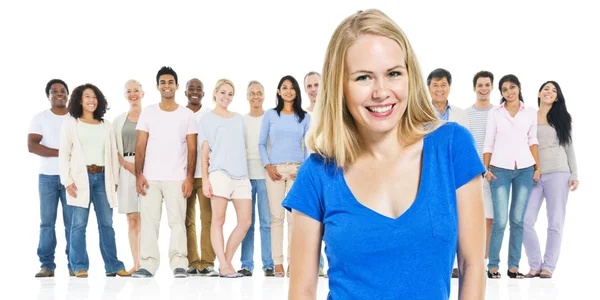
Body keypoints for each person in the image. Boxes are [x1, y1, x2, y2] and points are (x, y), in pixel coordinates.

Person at [283, 9, 486, 299]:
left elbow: (473, 265)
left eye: (393, 74)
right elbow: (302, 291)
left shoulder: (452, 146)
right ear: (339, 86)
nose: (381, 92)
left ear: (409, 75)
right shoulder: (317, 173)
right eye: (364, 77)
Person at [132, 67, 197, 278]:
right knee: (150, 221)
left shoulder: (186, 114)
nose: (166, 85)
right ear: (157, 86)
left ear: (177, 86)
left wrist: (188, 178)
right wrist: (139, 175)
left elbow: (192, 148)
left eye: (170, 82)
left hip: (177, 178)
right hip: (150, 177)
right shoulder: (149, 112)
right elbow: (140, 144)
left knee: (177, 222)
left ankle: (179, 263)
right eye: (163, 82)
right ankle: (148, 265)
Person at [58, 84, 129, 278]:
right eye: (87, 96)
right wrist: (67, 181)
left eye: (94, 97)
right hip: (80, 180)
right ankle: (79, 266)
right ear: (79, 100)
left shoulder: (106, 125)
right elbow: (63, 154)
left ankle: (113, 265)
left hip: (103, 178)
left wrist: (114, 179)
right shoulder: (71, 124)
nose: (91, 100)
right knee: (78, 224)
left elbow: (113, 154)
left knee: (106, 223)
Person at [484, 74, 541, 279]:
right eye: (505, 89)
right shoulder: (495, 113)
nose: (509, 91)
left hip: (525, 169)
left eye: (512, 87)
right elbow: (488, 142)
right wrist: (486, 169)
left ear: (519, 88)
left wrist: (537, 167)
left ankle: (513, 266)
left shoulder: (530, 113)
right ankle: (492, 265)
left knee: (517, 220)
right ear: (501, 93)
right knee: (500, 221)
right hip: (499, 169)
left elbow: (533, 141)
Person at [523, 81, 579, 279]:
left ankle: (548, 267)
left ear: (557, 97)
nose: (549, 92)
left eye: (554, 91)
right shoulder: (528, 115)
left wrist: (575, 174)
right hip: (533, 174)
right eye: (546, 88)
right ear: (539, 93)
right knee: (524, 221)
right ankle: (535, 264)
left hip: (559, 172)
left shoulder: (563, 118)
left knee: (555, 222)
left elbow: (569, 147)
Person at [198, 79, 252, 278]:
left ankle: (225, 263)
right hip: (219, 173)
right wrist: (205, 180)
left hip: (241, 175)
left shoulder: (238, 118)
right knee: (218, 220)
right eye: (223, 92)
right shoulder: (206, 119)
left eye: (230, 94)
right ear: (215, 93)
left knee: (245, 221)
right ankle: (224, 264)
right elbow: (205, 152)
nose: (226, 97)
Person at [259, 75, 311, 278]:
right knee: (276, 217)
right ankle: (277, 262)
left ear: (296, 92)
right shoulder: (271, 115)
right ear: (279, 92)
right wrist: (268, 165)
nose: (288, 91)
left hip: (297, 171)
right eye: (284, 87)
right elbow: (261, 144)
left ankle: (293, 262)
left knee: (294, 219)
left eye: (292, 87)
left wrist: (303, 169)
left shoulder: (305, 117)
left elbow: (308, 146)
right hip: (275, 171)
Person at [29, 79, 73, 277]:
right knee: (47, 223)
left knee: (72, 223)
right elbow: (33, 146)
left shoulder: (75, 118)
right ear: (49, 96)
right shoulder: (40, 118)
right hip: (47, 177)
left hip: (70, 178)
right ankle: (47, 265)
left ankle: (74, 264)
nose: (59, 93)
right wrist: (62, 152)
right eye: (54, 91)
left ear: (67, 94)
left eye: (62, 90)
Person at [237, 81, 275, 277]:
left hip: (266, 176)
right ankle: (246, 264)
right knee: (246, 222)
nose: (256, 97)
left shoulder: (270, 117)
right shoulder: (242, 120)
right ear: (247, 97)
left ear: (264, 96)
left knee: (267, 221)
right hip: (246, 177)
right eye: (252, 93)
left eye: (259, 93)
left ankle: (269, 264)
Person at [184, 78, 218, 276]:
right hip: (185, 175)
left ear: (204, 94)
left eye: (199, 89)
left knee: (208, 219)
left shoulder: (209, 115)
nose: (195, 92)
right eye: (191, 89)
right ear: (186, 92)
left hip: (207, 176)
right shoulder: (180, 114)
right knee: (187, 220)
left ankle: (207, 262)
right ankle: (192, 261)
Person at [113, 79, 144, 274]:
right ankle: (137, 263)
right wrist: (127, 165)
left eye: (136, 90)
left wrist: (141, 168)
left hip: (148, 171)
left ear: (142, 93)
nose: (133, 94)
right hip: (126, 170)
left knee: (148, 218)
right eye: (128, 91)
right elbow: (113, 149)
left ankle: (149, 262)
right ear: (125, 95)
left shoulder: (151, 116)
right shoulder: (119, 120)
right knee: (132, 218)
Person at [465, 71, 495, 266]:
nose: (483, 88)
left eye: (487, 85)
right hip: (471, 170)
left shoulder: (497, 112)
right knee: (470, 213)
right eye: (480, 85)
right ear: (474, 88)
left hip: (493, 169)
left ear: (492, 87)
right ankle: (470, 256)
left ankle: (485, 258)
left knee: (490, 215)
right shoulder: (466, 114)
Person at [303, 71, 328, 277]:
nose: (313, 89)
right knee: (312, 223)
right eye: (309, 86)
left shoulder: (332, 111)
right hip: (309, 174)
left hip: (331, 171)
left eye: (316, 85)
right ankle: (315, 266)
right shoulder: (302, 115)